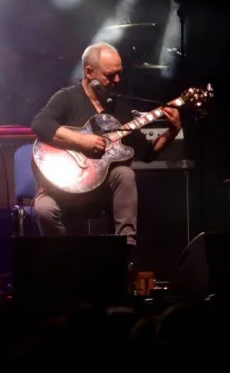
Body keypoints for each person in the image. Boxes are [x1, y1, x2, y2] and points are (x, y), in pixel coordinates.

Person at [30, 42, 181, 263]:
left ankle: (124, 254)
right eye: (110, 75)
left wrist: (172, 131)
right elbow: (39, 124)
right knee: (44, 210)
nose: (117, 80)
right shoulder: (67, 98)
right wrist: (82, 141)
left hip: (98, 189)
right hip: (59, 189)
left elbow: (148, 154)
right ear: (89, 72)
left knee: (125, 174)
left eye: (119, 73)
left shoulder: (119, 109)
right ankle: (66, 261)